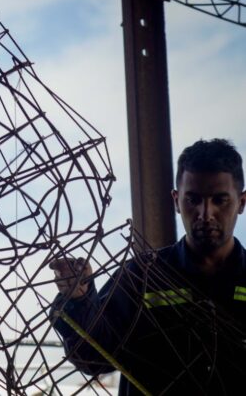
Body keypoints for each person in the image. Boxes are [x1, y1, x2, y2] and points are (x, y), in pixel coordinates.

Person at [50, 138, 246, 395]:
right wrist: (78, 299)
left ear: (241, 202)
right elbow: (92, 357)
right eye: (193, 200)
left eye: (220, 200)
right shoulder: (142, 275)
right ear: (176, 201)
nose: (205, 213)